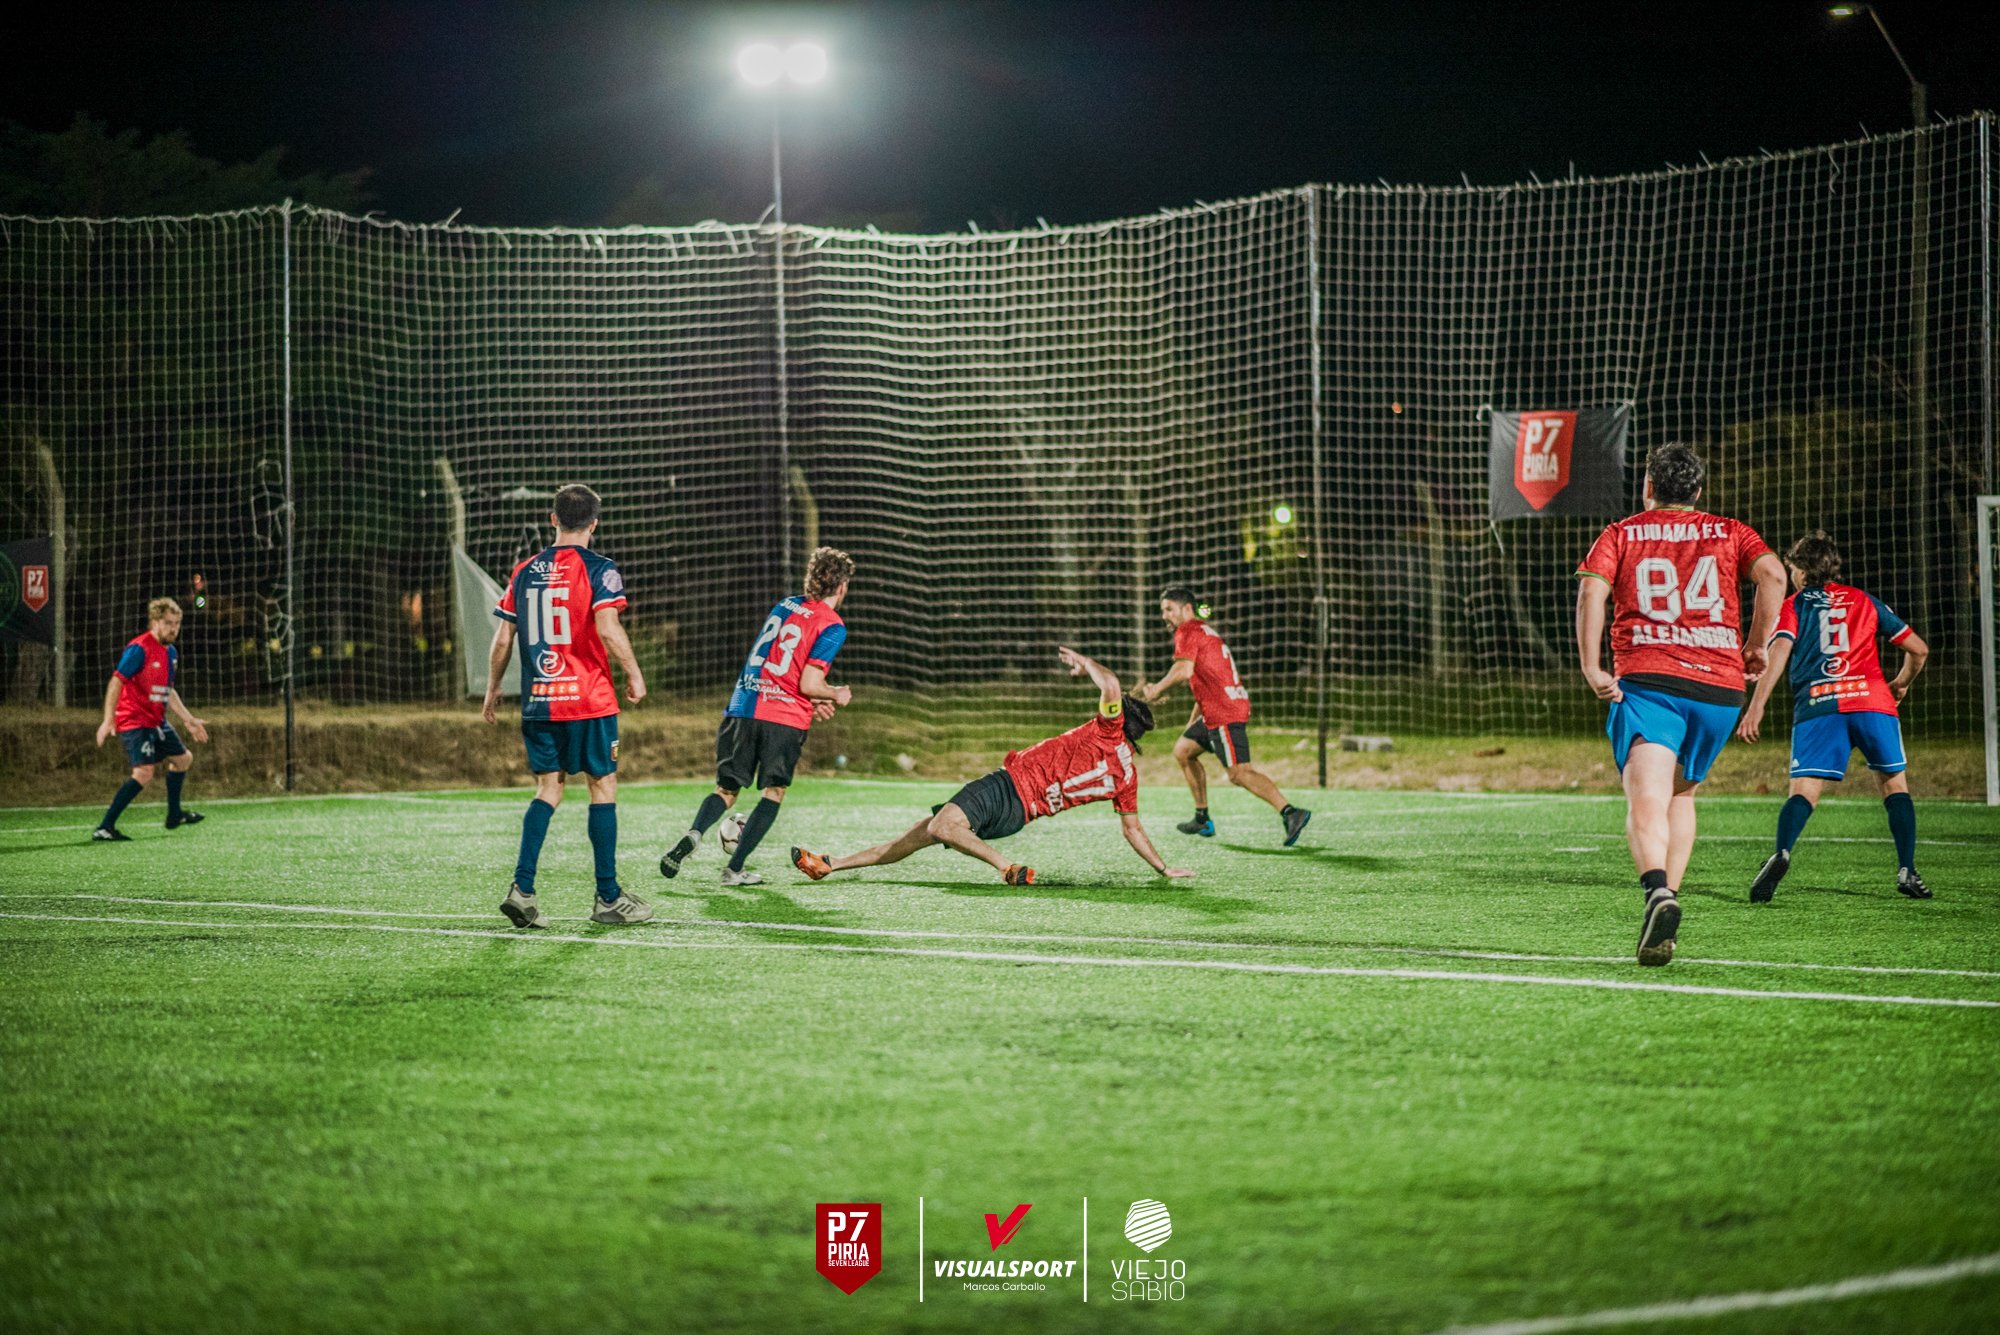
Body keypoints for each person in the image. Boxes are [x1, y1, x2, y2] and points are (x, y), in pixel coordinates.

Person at [1575, 443, 1786, 966]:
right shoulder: (1731, 531)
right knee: (1682, 794)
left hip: (1650, 680)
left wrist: (1592, 666)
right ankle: (1667, 902)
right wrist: (1756, 645)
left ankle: (1658, 893)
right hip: (1719, 690)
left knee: (1647, 794)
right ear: (1697, 491)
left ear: (1648, 487)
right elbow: (1775, 576)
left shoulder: (1621, 533)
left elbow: (1592, 593)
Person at [792, 647, 1196, 885]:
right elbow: (1132, 829)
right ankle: (831, 864)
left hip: (1009, 788)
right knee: (916, 836)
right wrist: (1162, 868)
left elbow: (1109, 683)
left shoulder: (1107, 731)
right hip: (1017, 817)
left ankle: (1007, 868)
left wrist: (1083, 660)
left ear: (1120, 720)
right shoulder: (1126, 775)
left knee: (940, 826)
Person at [484, 484, 649, 927]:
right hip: (589, 700)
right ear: (594, 524)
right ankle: (608, 897)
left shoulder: (524, 571)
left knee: (548, 790)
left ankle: (522, 889)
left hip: (540, 701)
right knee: (602, 787)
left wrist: (493, 686)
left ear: (553, 519)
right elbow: (608, 627)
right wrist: (634, 672)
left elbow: (503, 637)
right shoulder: (600, 569)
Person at [1736, 531, 1931, 900]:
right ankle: (1907, 869)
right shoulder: (1865, 600)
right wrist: (1901, 683)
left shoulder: (1794, 605)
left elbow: (1779, 651)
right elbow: (1918, 649)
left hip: (1820, 703)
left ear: (1801, 571)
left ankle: (1782, 852)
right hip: (1872, 702)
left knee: (1804, 791)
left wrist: (1756, 706)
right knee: (1894, 786)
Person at [660, 546, 855, 886]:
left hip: (744, 706)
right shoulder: (832, 625)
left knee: (726, 789)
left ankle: (695, 832)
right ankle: (734, 869)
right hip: (782, 718)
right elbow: (808, 681)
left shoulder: (785, 605)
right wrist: (834, 692)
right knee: (773, 792)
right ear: (842, 586)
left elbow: (782, 666)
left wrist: (813, 696)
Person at [1137, 587, 1310, 845]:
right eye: (1163, 610)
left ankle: (1290, 812)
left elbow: (1183, 669)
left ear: (1187, 609)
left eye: (1169, 609)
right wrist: (1192, 724)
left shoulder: (1188, 630)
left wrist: (1156, 689)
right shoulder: (1205, 631)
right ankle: (1202, 818)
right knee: (1183, 750)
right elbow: (1207, 681)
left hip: (1224, 712)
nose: (1165, 615)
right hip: (1221, 706)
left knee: (1240, 774)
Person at [92, 597, 209, 840]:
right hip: (134, 719)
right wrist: (108, 719)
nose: (174, 629)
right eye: (168, 623)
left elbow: (168, 691)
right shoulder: (139, 648)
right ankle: (104, 828)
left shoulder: (171, 652)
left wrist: (188, 719)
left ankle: (174, 815)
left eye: (177, 623)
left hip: (155, 721)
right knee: (144, 773)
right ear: (155, 623)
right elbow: (116, 681)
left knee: (183, 759)